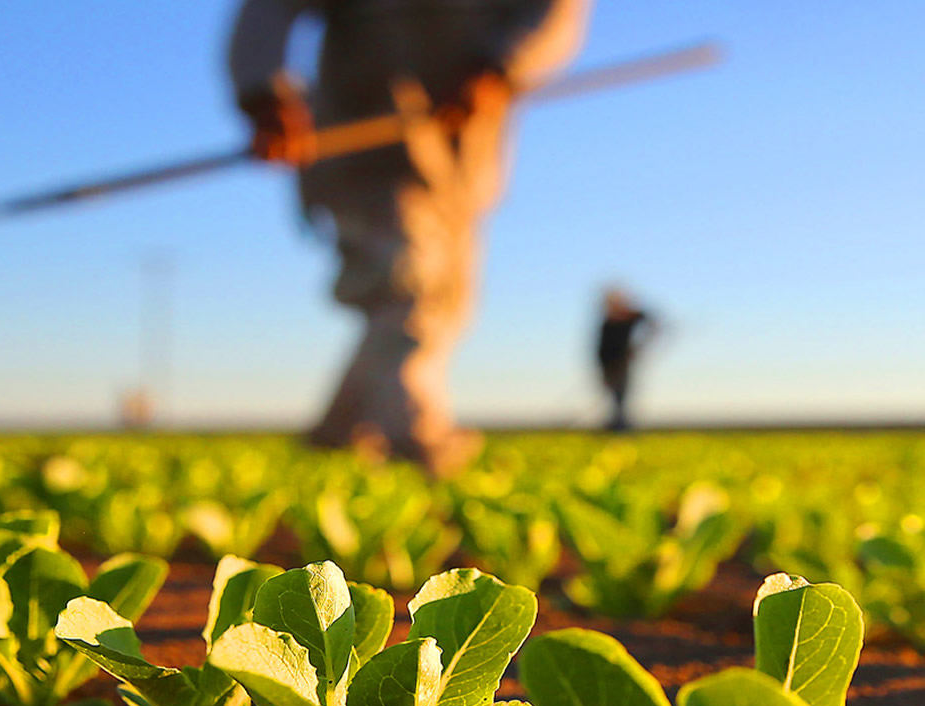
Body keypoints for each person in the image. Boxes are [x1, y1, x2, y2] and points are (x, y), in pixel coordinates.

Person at [228, 0, 591, 473]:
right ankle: (417, 437)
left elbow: (551, 15)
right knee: (407, 288)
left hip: (459, 157)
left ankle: (336, 435)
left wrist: (500, 65)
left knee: (447, 301)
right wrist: (263, 93)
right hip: (365, 145)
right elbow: (269, 11)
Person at [596, 286, 657, 432]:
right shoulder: (607, 323)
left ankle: (620, 426)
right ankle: (617, 424)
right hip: (609, 365)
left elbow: (651, 323)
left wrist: (639, 346)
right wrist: (604, 370)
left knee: (622, 395)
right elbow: (602, 350)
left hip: (623, 364)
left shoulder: (630, 317)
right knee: (615, 397)